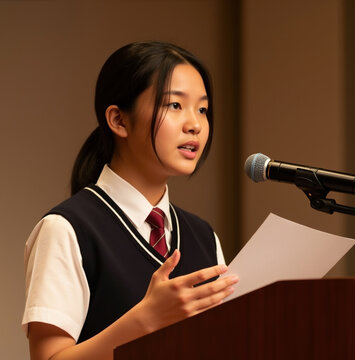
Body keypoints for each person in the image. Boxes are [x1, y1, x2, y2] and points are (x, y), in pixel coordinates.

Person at [21, 41, 238, 360]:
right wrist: (144, 320)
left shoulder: (204, 237)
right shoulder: (67, 229)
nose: (195, 124)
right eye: (175, 106)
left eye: (202, 109)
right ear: (119, 120)